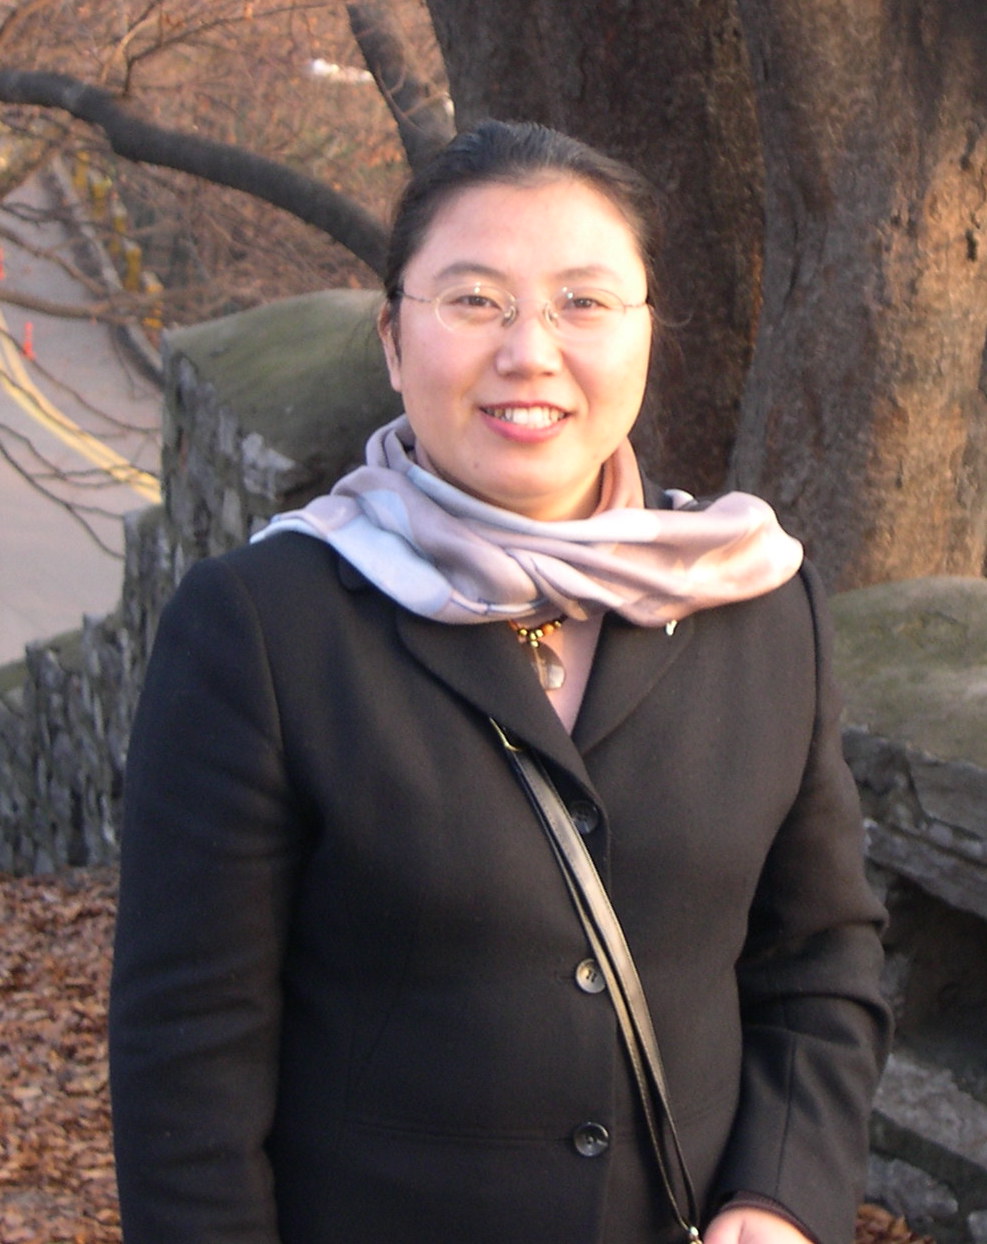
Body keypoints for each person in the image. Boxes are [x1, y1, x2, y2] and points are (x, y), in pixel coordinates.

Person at [109, 119, 892, 1244]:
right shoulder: (265, 628)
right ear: (392, 339)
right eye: (474, 300)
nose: (530, 351)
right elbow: (188, 1057)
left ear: (645, 333)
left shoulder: (756, 606)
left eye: (584, 301)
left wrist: (781, 1199)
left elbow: (816, 959)